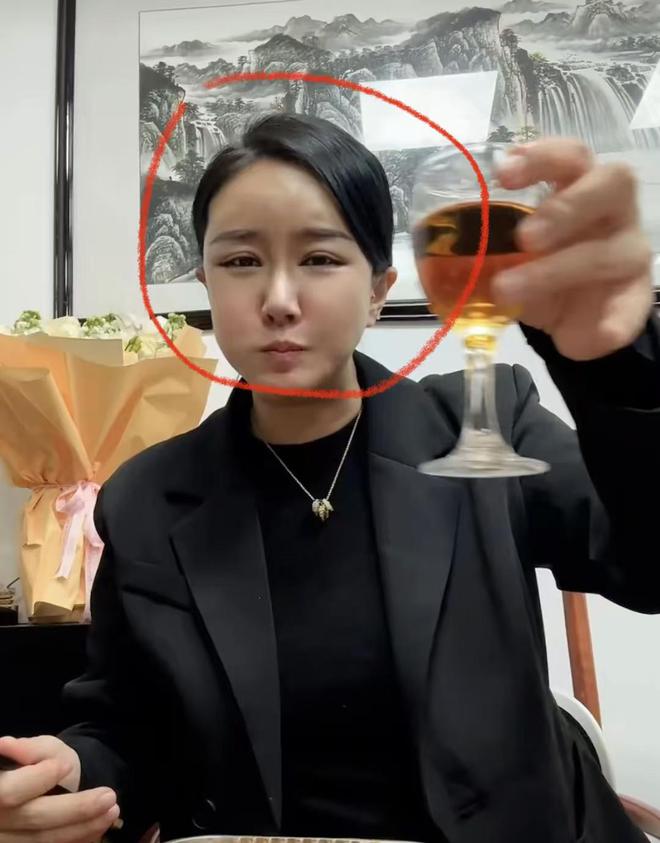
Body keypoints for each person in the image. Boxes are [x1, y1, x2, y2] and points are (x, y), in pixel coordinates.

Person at [0, 113, 658, 843]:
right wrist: (73, 769)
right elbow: (130, 729)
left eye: (319, 258)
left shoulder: (489, 424)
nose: (279, 298)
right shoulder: (148, 497)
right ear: (205, 285)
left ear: (378, 289)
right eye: (241, 261)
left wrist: (621, 368)